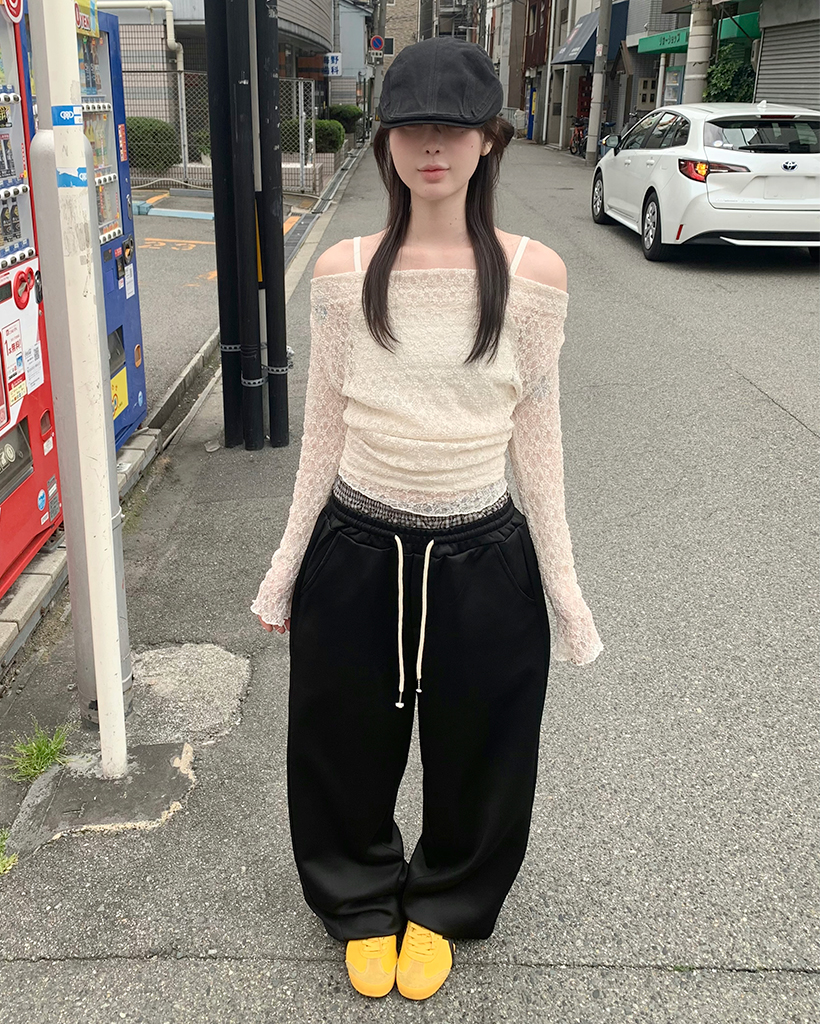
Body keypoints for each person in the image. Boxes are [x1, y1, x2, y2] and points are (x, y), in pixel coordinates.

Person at [252, 36, 603, 1002]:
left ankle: (446, 903)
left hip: (484, 553)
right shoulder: (342, 269)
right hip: (356, 545)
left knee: (486, 744)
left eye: (454, 126)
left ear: (490, 139)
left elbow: (540, 439)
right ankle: (359, 898)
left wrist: (565, 590)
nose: (432, 145)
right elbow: (323, 432)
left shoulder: (534, 274)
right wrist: (286, 566)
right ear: (386, 144)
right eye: (411, 128)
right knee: (339, 739)